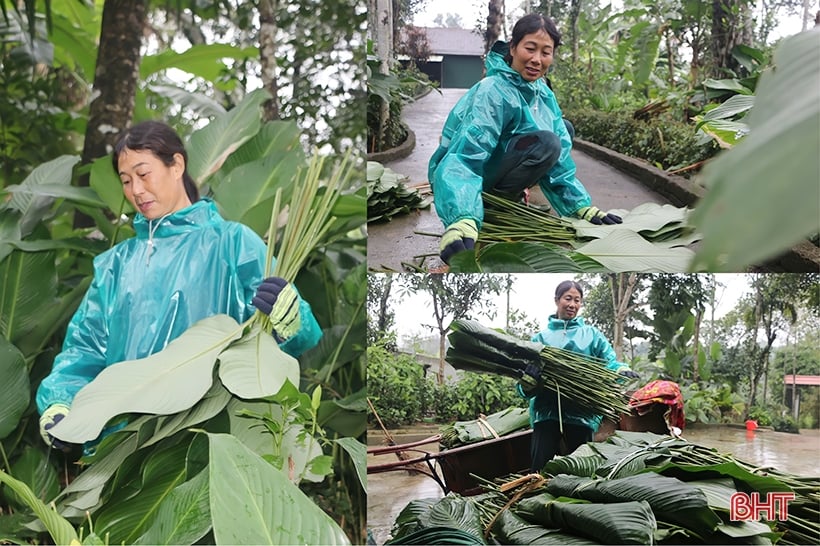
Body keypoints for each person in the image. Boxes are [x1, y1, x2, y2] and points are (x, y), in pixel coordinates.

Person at [36, 120, 323, 450]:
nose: (136, 191)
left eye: (143, 174)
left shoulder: (233, 244)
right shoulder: (116, 263)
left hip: (212, 436)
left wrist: (290, 318)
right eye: (126, 181)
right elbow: (84, 349)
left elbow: (287, 338)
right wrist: (61, 403)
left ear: (177, 165)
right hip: (122, 444)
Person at [428, 14, 622, 264]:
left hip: (503, 162)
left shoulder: (543, 92)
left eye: (546, 52)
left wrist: (581, 207)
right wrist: (460, 218)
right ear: (513, 48)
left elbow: (560, 155)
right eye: (530, 49)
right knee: (548, 142)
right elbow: (465, 157)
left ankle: (506, 195)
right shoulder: (493, 90)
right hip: (473, 176)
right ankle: (490, 202)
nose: (536, 60)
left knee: (564, 130)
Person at [518, 280, 638, 472]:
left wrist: (621, 370)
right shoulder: (539, 339)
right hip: (546, 414)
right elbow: (524, 385)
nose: (572, 305)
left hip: (582, 414)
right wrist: (529, 379)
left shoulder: (591, 334)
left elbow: (610, 361)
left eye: (577, 300)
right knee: (539, 471)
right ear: (557, 300)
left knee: (581, 470)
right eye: (568, 298)